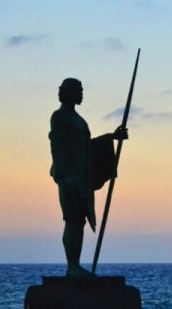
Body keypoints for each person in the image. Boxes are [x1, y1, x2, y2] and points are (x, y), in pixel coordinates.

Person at [49, 78, 128, 277]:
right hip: (69, 176)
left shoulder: (79, 119)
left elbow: (86, 147)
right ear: (69, 93)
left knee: (79, 220)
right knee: (72, 218)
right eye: (79, 90)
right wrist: (66, 174)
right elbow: (58, 147)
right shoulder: (59, 117)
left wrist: (112, 137)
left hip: (81, 176)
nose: (82, 94)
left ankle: (75, 265)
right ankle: (72, 266)